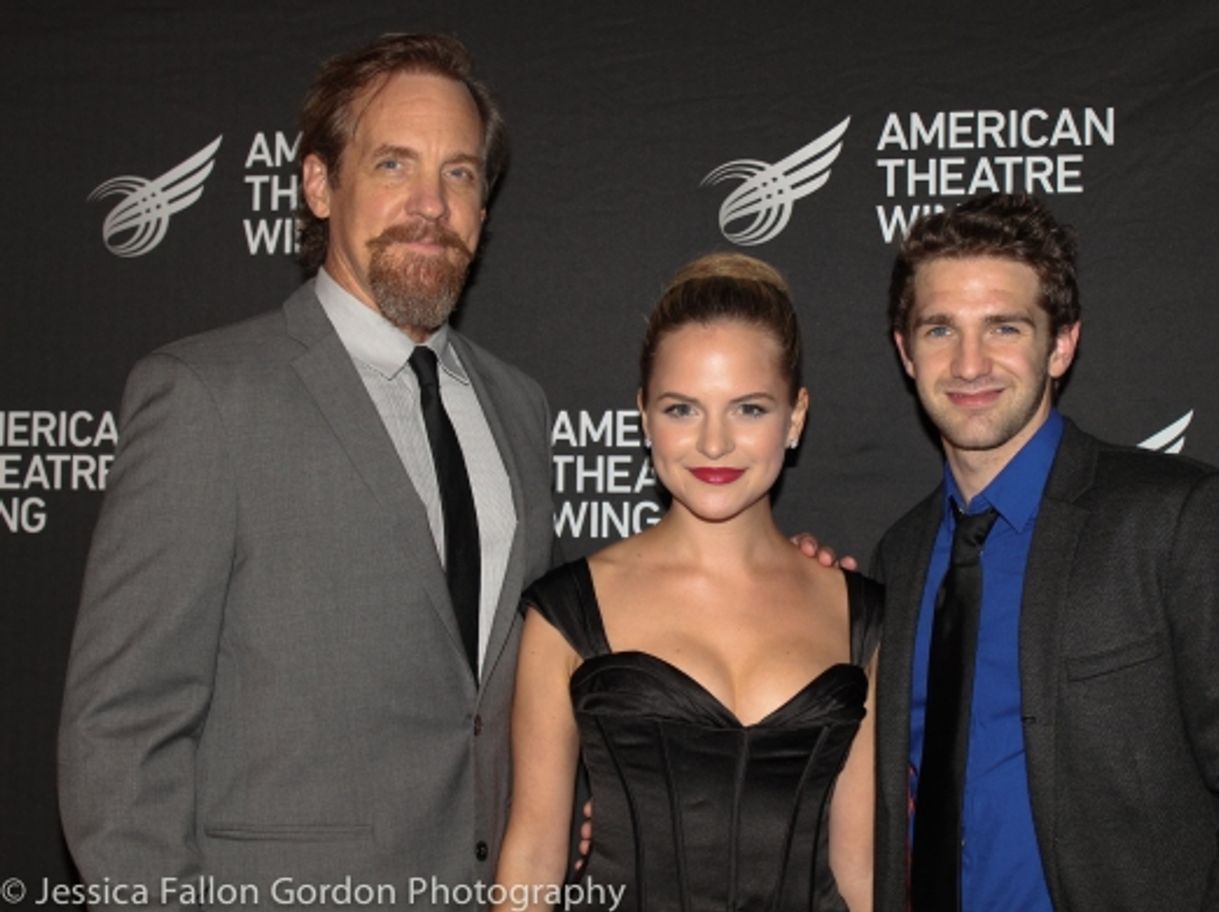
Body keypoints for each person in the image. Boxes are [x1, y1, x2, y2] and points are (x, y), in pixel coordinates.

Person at [58, 34, 554, 906]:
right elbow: (119, 735)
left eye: (461, 173)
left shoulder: (519, 408)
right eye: (394, 164)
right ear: (320, 185)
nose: (431, 204)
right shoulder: (206, 397)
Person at [871, 193, 1219, 911]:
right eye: (940, 329)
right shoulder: (899, 557)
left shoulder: (1175, 518)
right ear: (906, 352)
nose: (969, 363)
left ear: (1060, 345)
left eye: (1004, 327)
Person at [491, 254, 879, 912]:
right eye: (682, 409)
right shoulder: (565, 612)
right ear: (644, 416)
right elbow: (531, 860)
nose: (714, 443)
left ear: (795, 417)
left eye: (749, 408)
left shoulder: (862, 616)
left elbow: (861, 874)